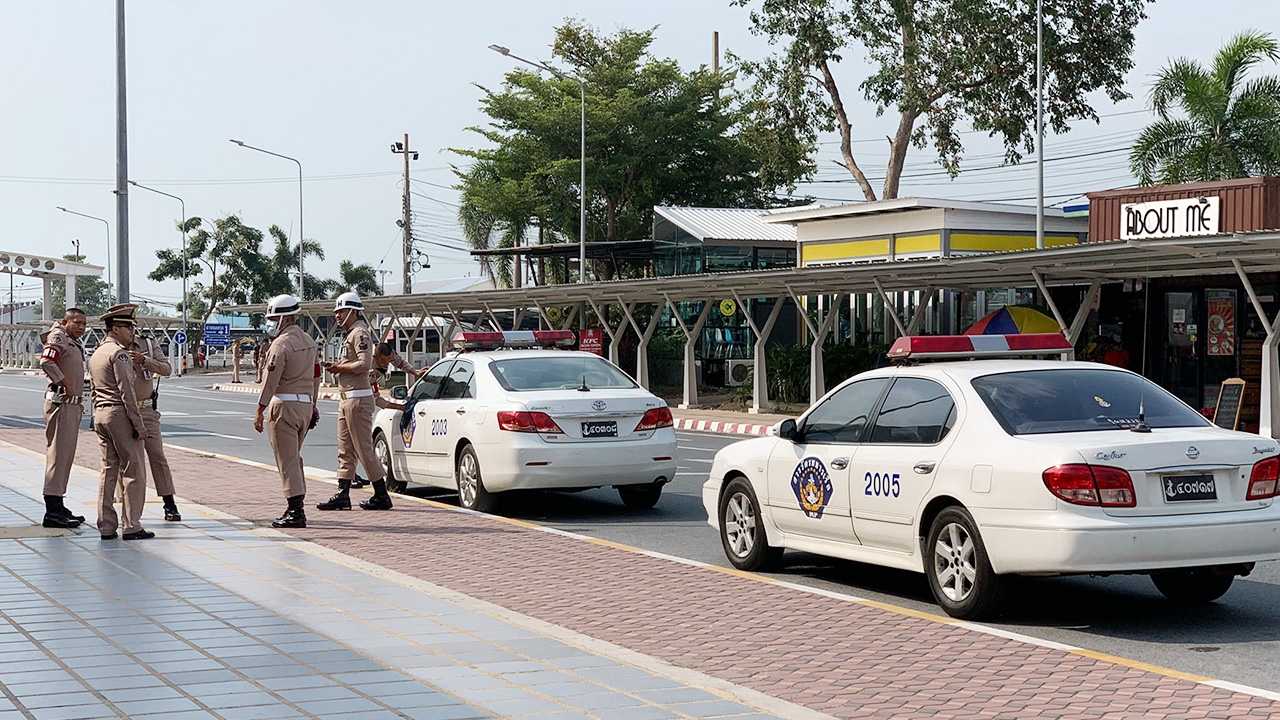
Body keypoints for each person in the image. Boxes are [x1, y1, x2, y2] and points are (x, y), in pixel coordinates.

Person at [318, 292, 393, 511]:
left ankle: (381, 494)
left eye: (340, 312)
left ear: (352, 311)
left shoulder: (360, 334)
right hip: (347, 398)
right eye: (336, 312)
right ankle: (343, 492)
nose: (337, 316)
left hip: (358, 399)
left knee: (363, 449)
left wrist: (338, 367)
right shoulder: (351, 333)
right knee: (345, 449)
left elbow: (363, 364)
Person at [254, 294, 321, 529]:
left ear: (285, 318)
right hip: (304, 406)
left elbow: (270, 381)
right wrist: (313, 405)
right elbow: (316, 376)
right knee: (294, 458)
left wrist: (260, 410)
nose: (270, 323)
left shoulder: (280, 345)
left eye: (273, 318)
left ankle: (296, 511)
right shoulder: (310, 342)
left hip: (283, 406)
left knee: (287, 460)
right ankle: (296, 505)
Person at [88, 304, 153, 541]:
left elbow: (94, 389)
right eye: (128, 327)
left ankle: (106, 525)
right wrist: (139, 426)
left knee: (108, 471)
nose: (132, 333)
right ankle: (131, 525)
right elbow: (128, 393)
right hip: (120, 415)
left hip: (101, 414)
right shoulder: (119, 354)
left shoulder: (96, 353)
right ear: (115, 329)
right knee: (133, 471)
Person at [38, 307, 89, 529]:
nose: (81, 327)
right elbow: (46, 361)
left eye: (84, 324)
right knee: (58, 456)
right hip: (61, 404)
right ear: (64, 321)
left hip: (70, 406)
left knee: (65, 456)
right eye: (76, 322)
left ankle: (58, 504)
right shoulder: (58, 337)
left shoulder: (71, 341)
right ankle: (52, 511)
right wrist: (64, 382)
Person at [128, 332, 181, 522]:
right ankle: (128, 509)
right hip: (123, 411)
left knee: (157, 456)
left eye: (131, 326)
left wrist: (145, 360)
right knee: (128, 461)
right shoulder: (110, 346)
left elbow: (167, 369)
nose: (129, 330)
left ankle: (169, 503)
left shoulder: (148, 343)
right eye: (124, 325)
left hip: (146, 409)